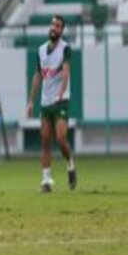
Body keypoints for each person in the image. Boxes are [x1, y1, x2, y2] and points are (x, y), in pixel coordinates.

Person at [26, 15, 77, 193]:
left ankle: (70, 164)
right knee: (45, 140)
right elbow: (38, 75)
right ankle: (46, 180)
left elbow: (65, 71)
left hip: (61, 100)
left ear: (62, 30)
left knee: (61, 138)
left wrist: (62, 91)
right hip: (46, 102)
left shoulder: (65, 49)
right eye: (52, 24)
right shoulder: (40, 50)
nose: (54, 28)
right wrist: (31, 101)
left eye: (58, 26)